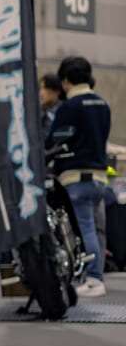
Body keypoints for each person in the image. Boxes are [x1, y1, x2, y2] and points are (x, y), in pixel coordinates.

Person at [47, 56, 111, 297]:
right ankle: (96, 276)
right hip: (99, 176)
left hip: (76, 176)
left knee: (84, 229)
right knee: (96, 229)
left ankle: (93, 279)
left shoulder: (70, 107)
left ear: (65, 81)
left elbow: (55, 139)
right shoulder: (102, 103)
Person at [39, 73, 65, 139]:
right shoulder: (37, 110)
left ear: (56, 91)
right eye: (40, 88)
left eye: (45, 88)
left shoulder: (64, 110)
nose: (41, 93)